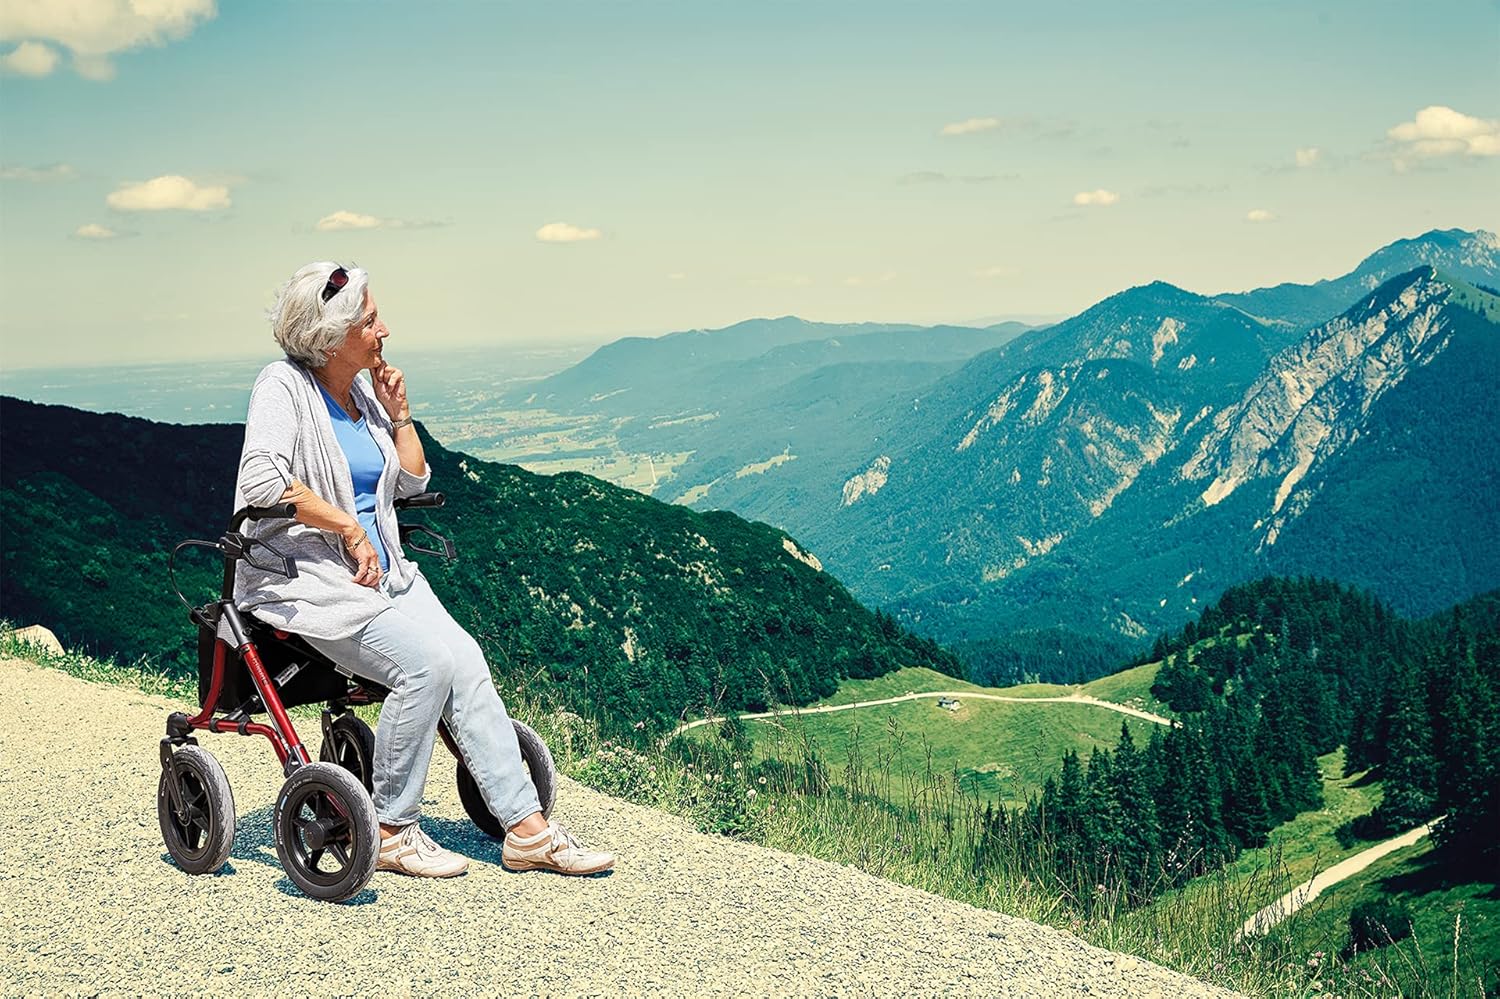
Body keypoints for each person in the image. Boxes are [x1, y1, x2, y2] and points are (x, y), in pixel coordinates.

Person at [232, 260, 614, 879]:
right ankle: (389, 829)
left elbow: (411, 479)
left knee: (465, 659)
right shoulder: (282, 387)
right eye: (372, 319)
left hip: (387, 575)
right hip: (313, 582)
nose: (384, 330)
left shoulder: (360, 393)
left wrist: (399, 413)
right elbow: (261, 480)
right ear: (332, 335)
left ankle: (527, 832)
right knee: (425, 666)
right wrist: (346, 526)